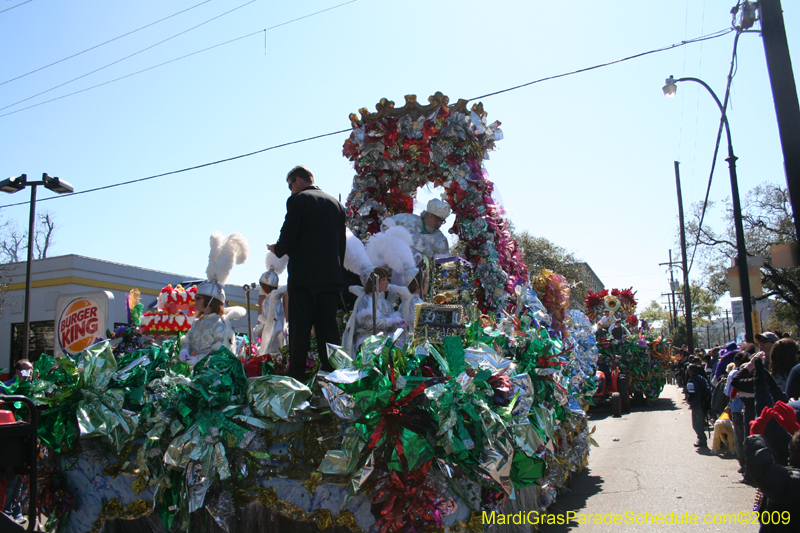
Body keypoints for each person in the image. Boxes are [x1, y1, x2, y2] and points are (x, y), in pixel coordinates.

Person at [269, 166, 346, 379]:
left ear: (298, 180)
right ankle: (336, 381)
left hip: (304, 280)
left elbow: (289, 235)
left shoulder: (297, 201)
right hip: (330, 279)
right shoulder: (336, 204)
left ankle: (297, 383)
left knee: (299, 334)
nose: (290, 190)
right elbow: (341, 246)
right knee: (329, 334)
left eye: (290, 185)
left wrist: (277, 248)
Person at [179, 231, 249, 367]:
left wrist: (199, 360)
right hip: (196, 371)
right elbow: (189, 340)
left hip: (215, 377)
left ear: (210, 301)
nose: (195, 301)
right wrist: (185, 350)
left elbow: (221, 353)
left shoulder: (219, 324)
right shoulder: (197, 323)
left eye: (199, 298)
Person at [380, 198, 451, 261]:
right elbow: (386, 227)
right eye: (437, 219)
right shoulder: (406, 219)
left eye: (442, 221)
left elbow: (441, 263)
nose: (439, 224)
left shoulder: (441, 240)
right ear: (428, 214)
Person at [254, 252, 289, 357]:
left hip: (274, 330)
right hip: (269, 329)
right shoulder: (268, 299)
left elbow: (272, 317)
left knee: (271, 352)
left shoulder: (274, 298)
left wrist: (261, 321)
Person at [686, 363, 711, 449]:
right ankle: (702, 439)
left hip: (697, 403)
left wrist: (689, 401)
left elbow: (691, 393)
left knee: (696, 424)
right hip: (705, 403)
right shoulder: (702, 379)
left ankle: (702, 440)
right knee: (701, 422)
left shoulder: (691, 381)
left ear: (690, 371)